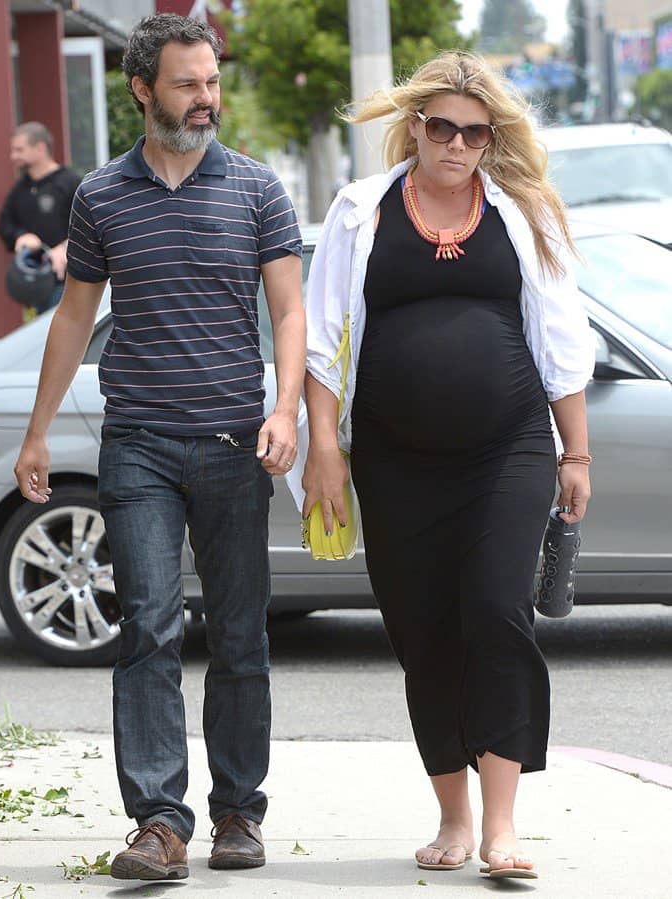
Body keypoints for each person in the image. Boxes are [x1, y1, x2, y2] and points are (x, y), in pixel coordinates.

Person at [13, 13, 305, 881]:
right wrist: (37, 430)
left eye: (212, 82)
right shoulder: (100, 196)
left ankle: (238, 813)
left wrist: (284, 407)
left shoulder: (257, 190)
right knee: (144, 626)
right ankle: (159, 822)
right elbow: (73, 319)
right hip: (137, 442)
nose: (206, 99)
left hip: (232, 441)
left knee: (241, 632)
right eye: (188, 84)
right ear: (143, 89)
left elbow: (288, 312)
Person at [291, 51, 594, 880]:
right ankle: (452, 817)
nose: (455, 144)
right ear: (415, 126)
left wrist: (578, 450)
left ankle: (501, 828)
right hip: (394, 462)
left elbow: (563, 342)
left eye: (473, 131)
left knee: (498, 611)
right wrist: (324, 448)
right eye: (440, 127)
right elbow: (322, 346)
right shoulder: (360, 213)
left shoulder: (522, 213)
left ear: (490, 137)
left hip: (509, 447)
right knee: (425, 633)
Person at [0, 121, 81, 313]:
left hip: (68, 284)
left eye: (19, 150)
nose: (13, 156)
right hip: (38, 286)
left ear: (40, 148)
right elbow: (4, 224)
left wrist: (66, 247)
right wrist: (21, 236)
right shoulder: (21, 188)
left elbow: (93, 226)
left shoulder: (70, 183)